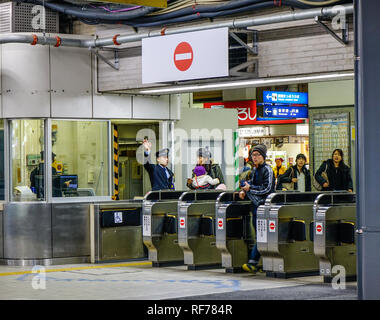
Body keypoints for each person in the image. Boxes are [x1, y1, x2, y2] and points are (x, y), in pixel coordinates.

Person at [239, 144, 275, 273]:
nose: (254, 157)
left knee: (262, 235)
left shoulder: (268, 170)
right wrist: (244, 191)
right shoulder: (254, 170)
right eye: (253, 155)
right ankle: (260, 263)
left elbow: (267, 188)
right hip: (255, 207)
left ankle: (253, 262)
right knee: (260, 235)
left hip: (264, 207)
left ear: (263, 156)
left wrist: (250, 189)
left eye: (257, 155)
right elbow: (253, 185)